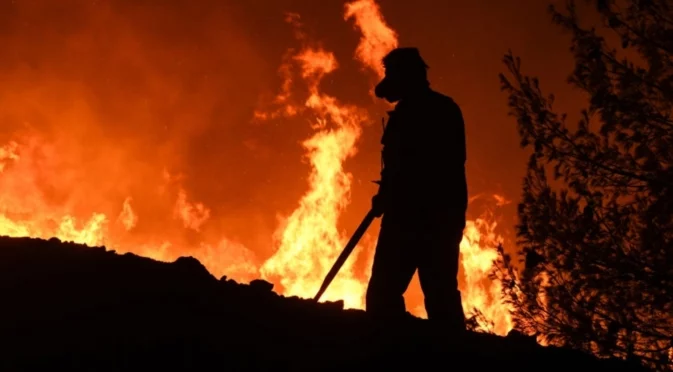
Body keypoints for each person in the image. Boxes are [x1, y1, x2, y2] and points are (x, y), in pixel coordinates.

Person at [366, 47, 468, 332]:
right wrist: (386, 191)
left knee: (423, 294)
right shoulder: (423, 111)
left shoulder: (437, 111)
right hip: (427, 217)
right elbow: (397, 166)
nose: (387, 82)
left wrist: (395, 192)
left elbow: (442, 164)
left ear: (406, 76)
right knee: (433, 295)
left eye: (391, 74)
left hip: (425, 219)